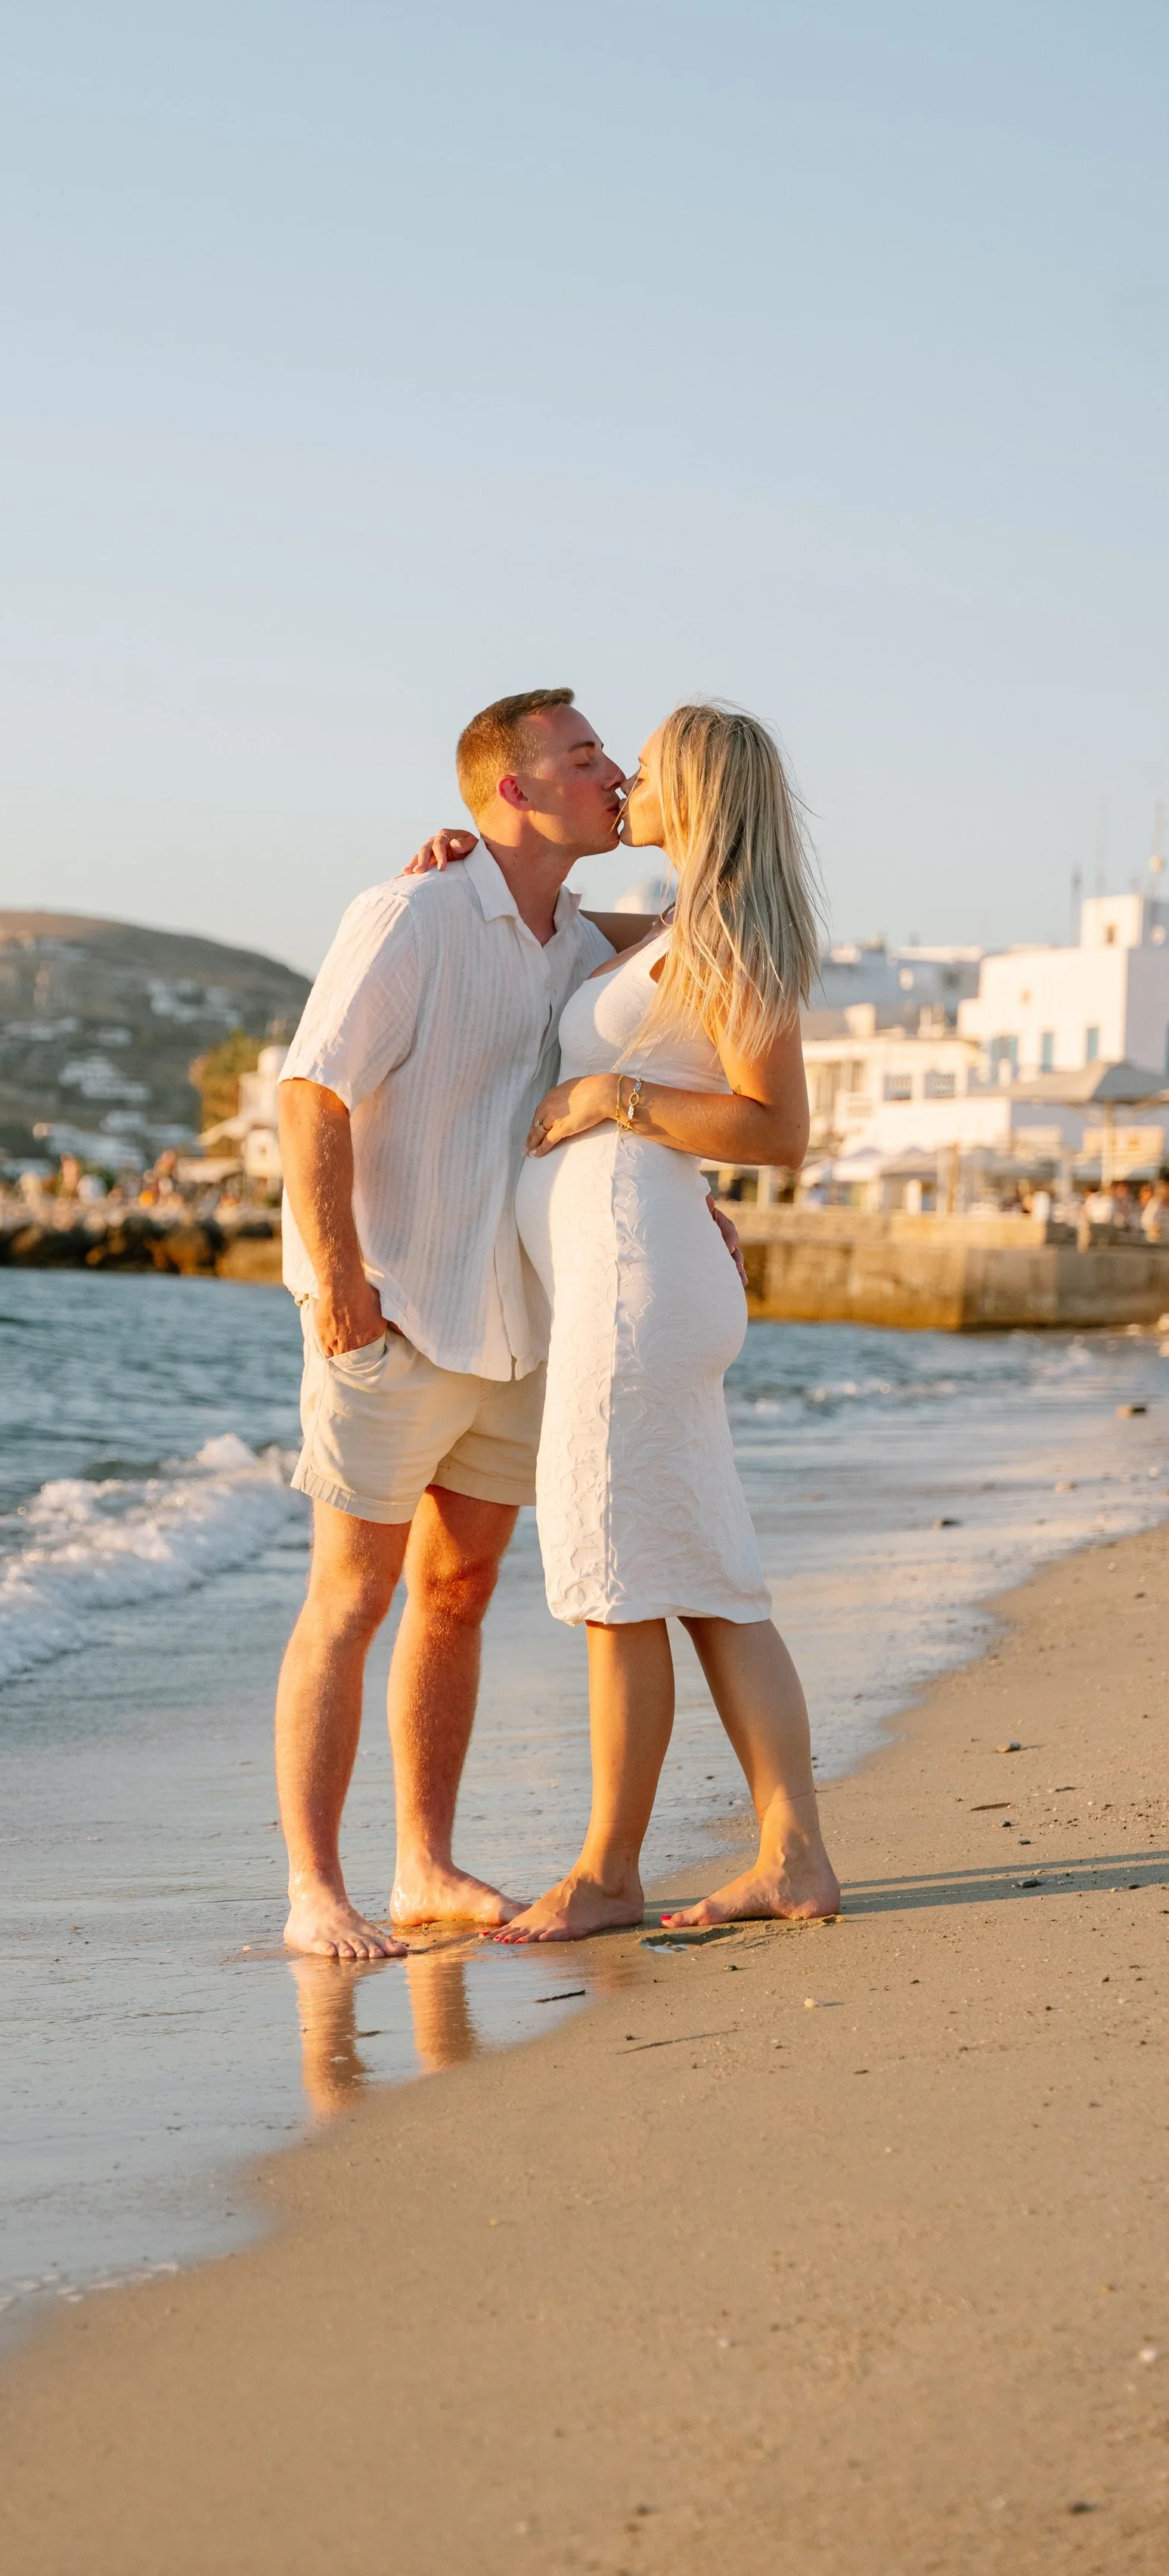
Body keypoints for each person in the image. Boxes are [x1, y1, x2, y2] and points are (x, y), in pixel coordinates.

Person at [273, 688, 737, 1960]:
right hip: (395, 1307)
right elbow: (310, 1096)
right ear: (514, 792)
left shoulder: (579, 943)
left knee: (459, 1590)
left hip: (516, 1321)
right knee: (350, 1599)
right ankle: (316, 1887)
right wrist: (343, 1281)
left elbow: (722, 925)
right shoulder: (412, 913)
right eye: (584, 756)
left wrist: (680, 1198)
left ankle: (423, 1862)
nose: (610, 770)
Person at [488, 704, 840, 1936]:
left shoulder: (733, 935)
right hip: (637, 1271)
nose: (628, 778)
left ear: (697, 791)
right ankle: (791, 1856)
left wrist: (610, 1094)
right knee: (703, 1578)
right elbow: (559, 928)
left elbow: (778, 1132)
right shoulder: (689, 927)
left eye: (648, 766)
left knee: (620, 1579)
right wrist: (471, 860)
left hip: (636, 1286)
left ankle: (608, 1872)